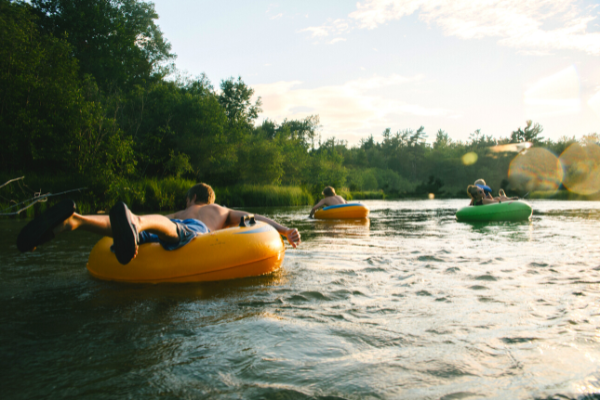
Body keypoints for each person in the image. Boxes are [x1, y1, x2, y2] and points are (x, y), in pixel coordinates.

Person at [17, 183, 301, 265]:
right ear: (208, 198)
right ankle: (134, 223)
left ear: (191, 197)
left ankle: (75, 222)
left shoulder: (180, 211)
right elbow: (255, 219)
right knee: (161, 227)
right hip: (192, 235)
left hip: (160, 228)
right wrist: (284, 230)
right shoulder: (220, 210)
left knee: (150, 226)